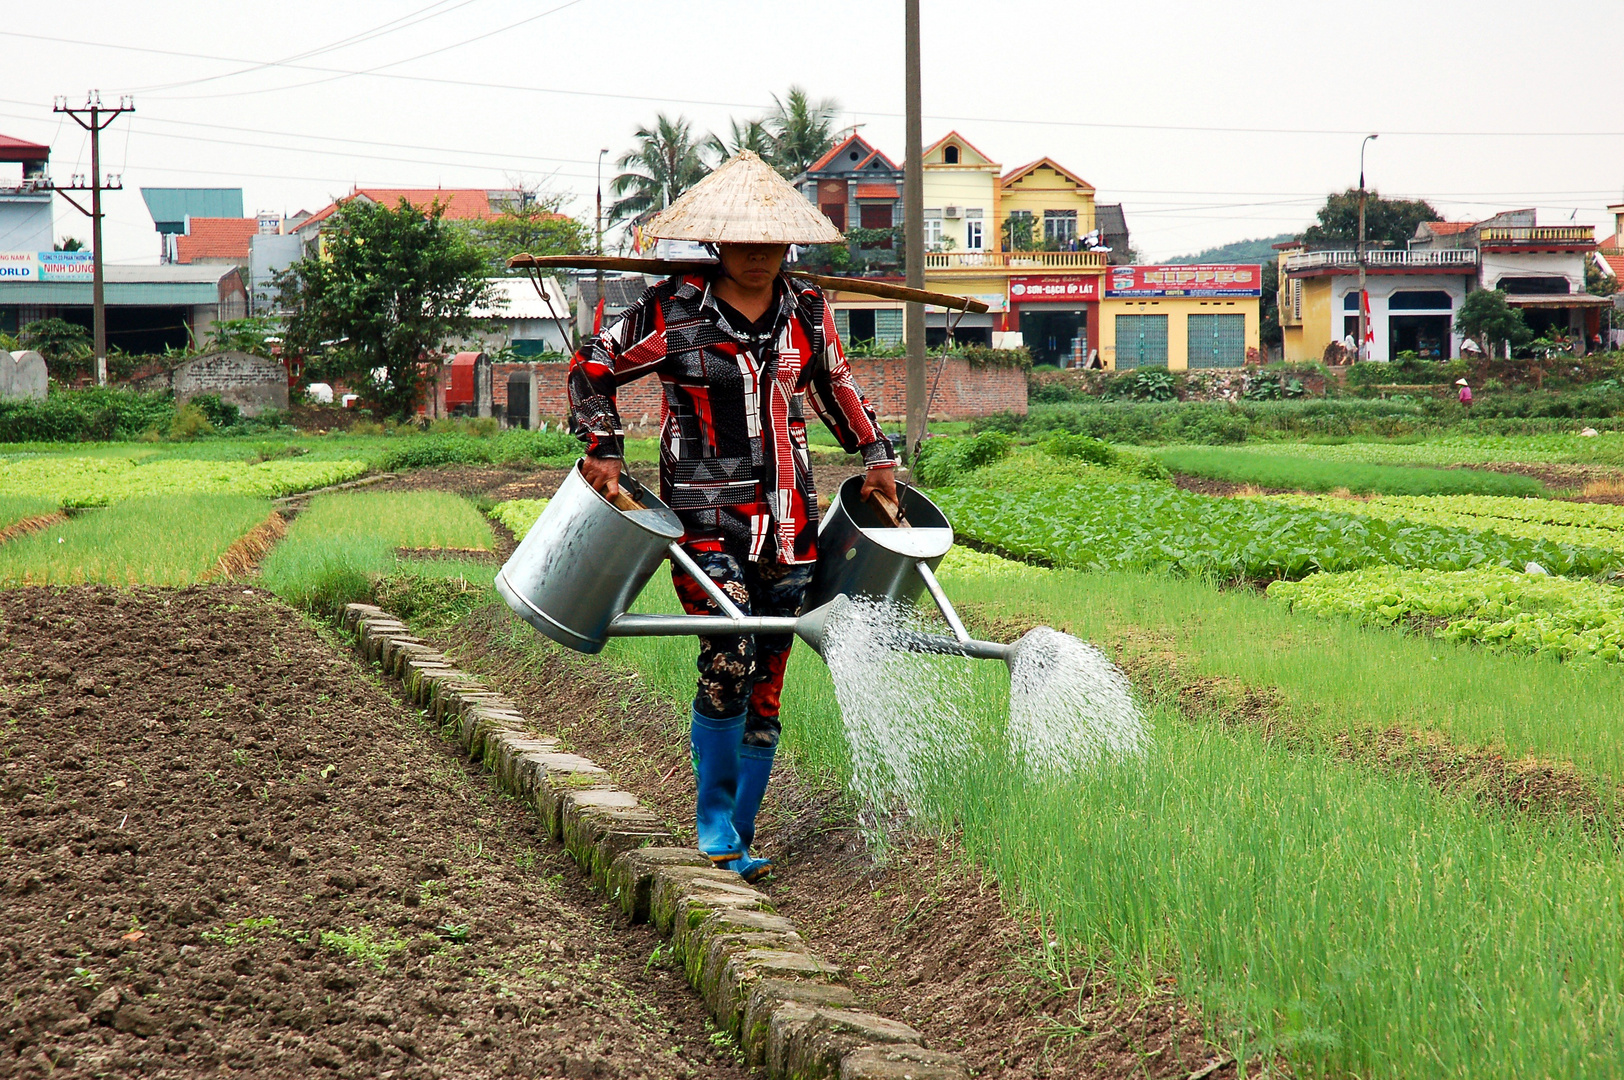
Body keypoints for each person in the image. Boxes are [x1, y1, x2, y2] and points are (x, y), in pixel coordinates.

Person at [568, 151, 897, 883]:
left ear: (789, 247)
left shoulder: (808, 311)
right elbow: (594, 368)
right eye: (745, 245)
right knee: (729, 653)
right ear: (717, 245)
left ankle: (740, 835)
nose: (758, 258)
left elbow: (836, 387)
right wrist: (604, 446)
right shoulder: (672, 310)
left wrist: (877, 454)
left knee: (770, 674)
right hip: (704, 518)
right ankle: (714, 823)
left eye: (772, 246)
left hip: (789, 519)